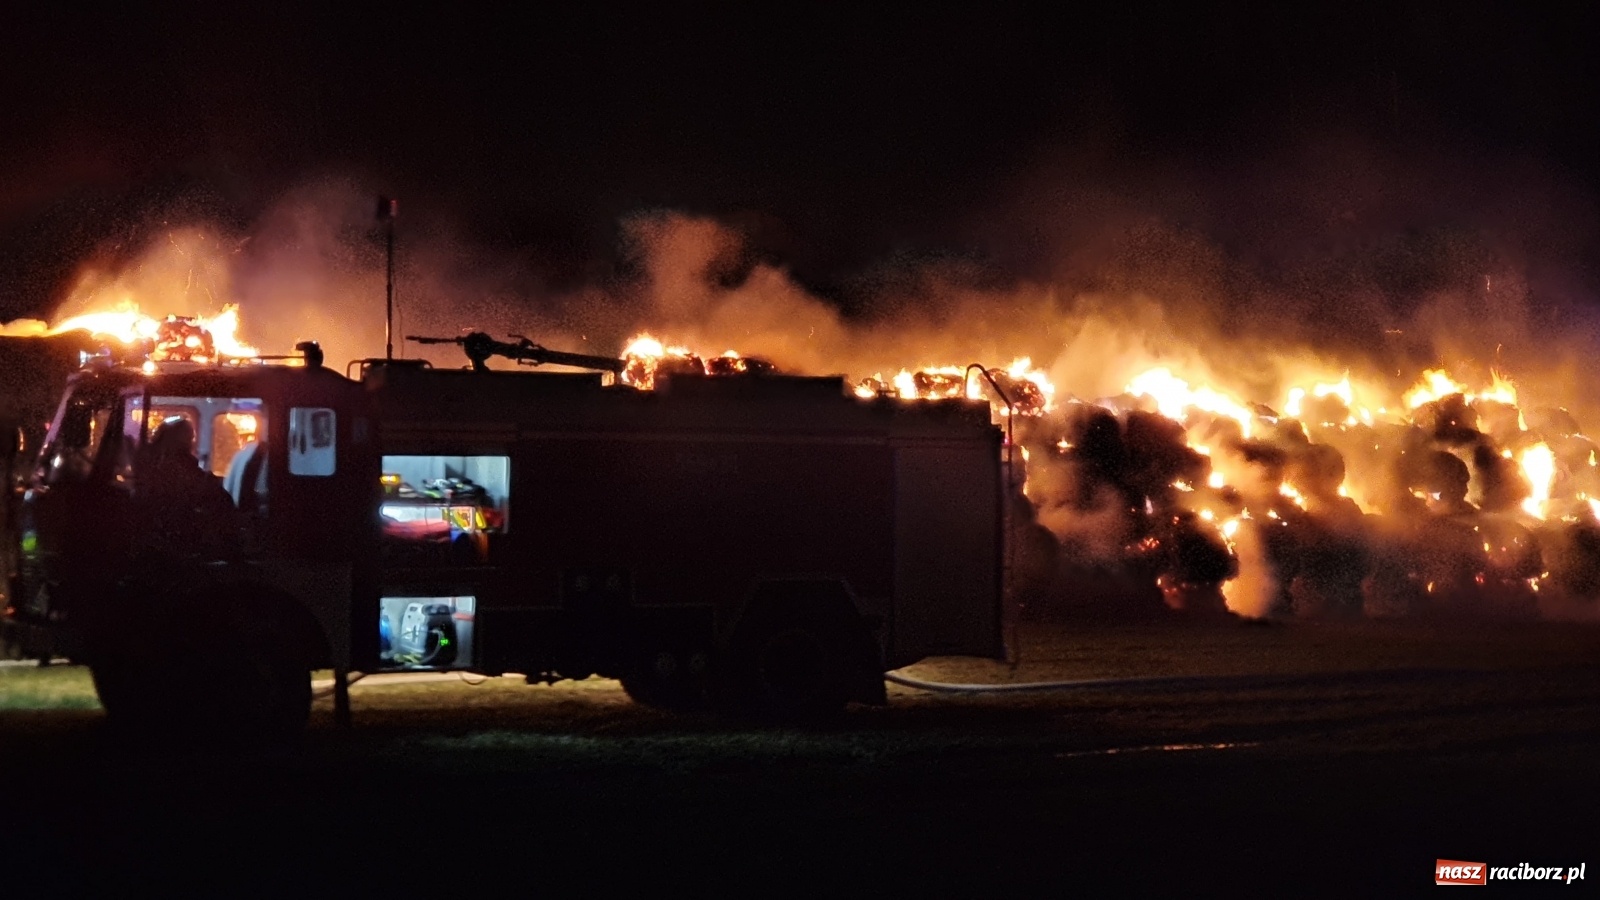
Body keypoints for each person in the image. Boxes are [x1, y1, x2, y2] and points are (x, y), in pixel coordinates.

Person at [138, 416, 238, 557]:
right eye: (191, 438)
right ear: (187, 442)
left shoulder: (147, 469)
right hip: (181, 545)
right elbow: (223, 501)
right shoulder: (186, 470)